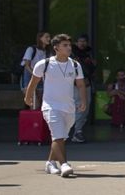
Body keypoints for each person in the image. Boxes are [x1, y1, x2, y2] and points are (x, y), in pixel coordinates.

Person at [24, 34, 87, 177]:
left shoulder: (75, 65)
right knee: (58, 136)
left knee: (60, 137)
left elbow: (81, 84)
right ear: (56, 48)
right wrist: (28, 97)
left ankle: (50, 163)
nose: (69, 48)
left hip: (69, 108)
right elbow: (33, 82)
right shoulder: (44, 64)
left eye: (69, 45)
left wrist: (83, 101)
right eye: (65, 45)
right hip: (50, 106)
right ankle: (64, 164)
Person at [70, 34, 97, 143]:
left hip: (86, 83)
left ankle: (77, 130)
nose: (82, 43)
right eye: (80, 41)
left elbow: (92, 69)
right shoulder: (71, 53)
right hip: (75, 84)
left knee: (84, 107)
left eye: (84, 41)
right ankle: (76, 131)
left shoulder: (89, 53)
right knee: (79, 106)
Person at [20, 32, 51, 107]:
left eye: (49, 37)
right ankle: (32, 117)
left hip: (40, 77)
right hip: (29, 76)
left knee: (40, 101)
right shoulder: (31, 49)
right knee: (33, 101)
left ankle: (37, 118)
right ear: (40, 38)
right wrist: (35, 74)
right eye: (46, 37)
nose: (49, 39)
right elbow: (27, 65)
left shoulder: (47, 52)